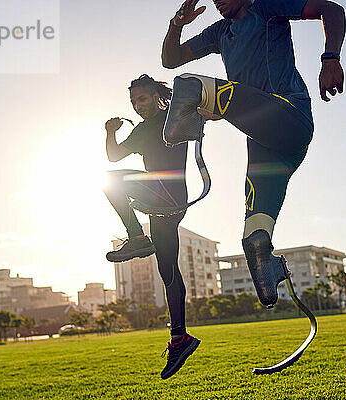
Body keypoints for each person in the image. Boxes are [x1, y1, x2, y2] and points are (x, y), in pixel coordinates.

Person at [161, 0, 346, 306]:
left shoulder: (266, 8)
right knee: (255, 236)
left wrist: (330, 59)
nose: (217, 0)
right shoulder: (219, 33)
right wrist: (176, 24)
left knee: (189, 87)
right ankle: (267, 270)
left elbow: (332, 10)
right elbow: (171, 59)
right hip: (269, 148)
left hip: (289, 115)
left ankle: (187, 119)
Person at [103, 74, 200, 379]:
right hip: (162, 209)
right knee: (168, 270)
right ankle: (180, 338)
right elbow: (115, 153)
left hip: (168, 193)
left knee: (109, 180)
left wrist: (202, 110)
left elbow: (200, 109)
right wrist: (109, 132)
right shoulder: (143, 130)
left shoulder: (175, 116)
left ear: (158, 96)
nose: (137, 106)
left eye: (142, 99)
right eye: (133, 102)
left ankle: (136, 238)